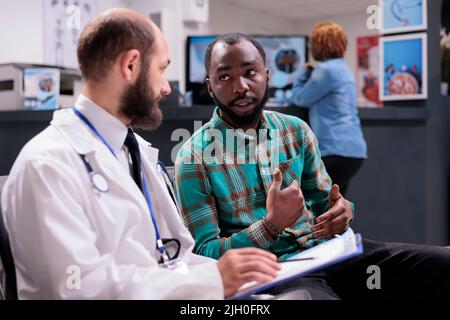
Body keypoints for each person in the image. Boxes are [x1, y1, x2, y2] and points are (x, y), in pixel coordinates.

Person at [0, 10, 281, 299]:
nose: (166, 87)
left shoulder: (135, 151)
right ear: (131, 66)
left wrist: (235, 282)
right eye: (161, 70)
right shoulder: (47, 165)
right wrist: (211, 281)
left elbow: (172, 257)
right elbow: (77, 287)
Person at [174, 33, 450, 300]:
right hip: (278, 270)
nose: (241, 86)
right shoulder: (194, 156)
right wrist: (270, 226)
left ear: (267, 76)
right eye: (225, 77)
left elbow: (325, 205)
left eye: (250, 72)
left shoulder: (295, 130)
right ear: (210, 86)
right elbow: (204, 254)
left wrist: (342, 211)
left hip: (331, 255)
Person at [290, 22, 367, 196]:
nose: (311, 47)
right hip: (354, 151)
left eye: (313, 44)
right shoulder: (343, 69)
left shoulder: (326, 71)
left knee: (318, 207)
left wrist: (302, 75)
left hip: (334, 150)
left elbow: (300, 99)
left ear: (321, 45)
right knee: (335, 208)